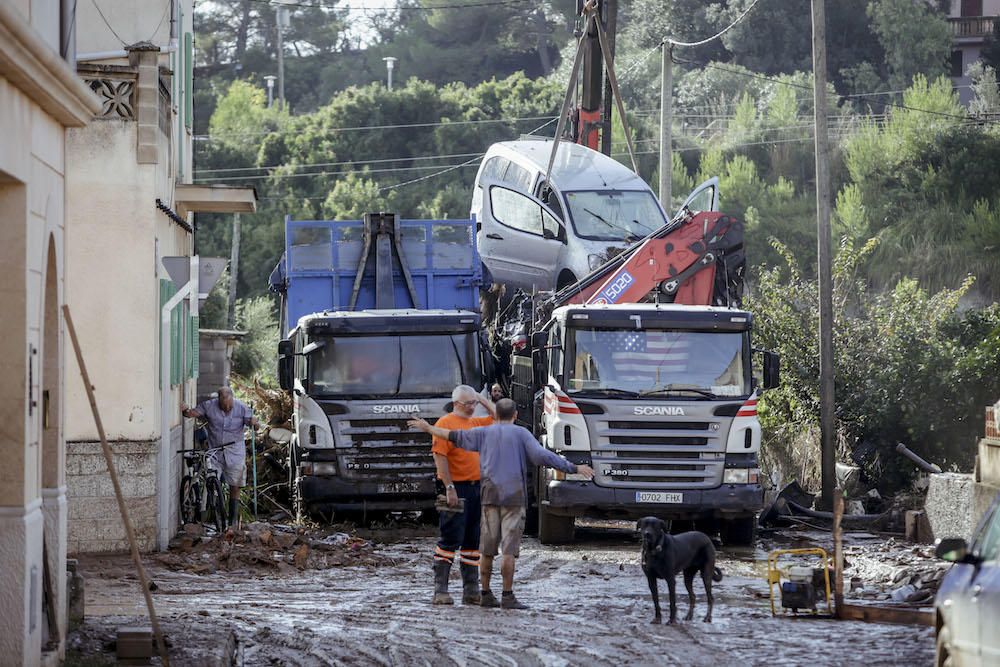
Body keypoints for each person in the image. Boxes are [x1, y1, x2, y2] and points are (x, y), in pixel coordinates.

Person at [409, 398, 594, 609]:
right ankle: (507, 595)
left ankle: (484, 593)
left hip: (488, 496)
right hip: (513, 498)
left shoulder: (483, 432)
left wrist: (428, 428)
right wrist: (573, 468)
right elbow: (541, 456)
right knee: (508, 550)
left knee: (486, 549)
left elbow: (453, 436)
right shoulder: (520, 434)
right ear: (515, 415)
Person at [429, 385, 496, 606]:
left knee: (472, 540)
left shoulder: (476, 423)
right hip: (455, 488)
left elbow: (498, 417)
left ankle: (471, 590)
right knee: (450, 538)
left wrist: (482, 400)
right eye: (469, 404)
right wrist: (449, 488)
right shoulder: (445, 424)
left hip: (476, 487)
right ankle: (441, 590)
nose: (472, 408)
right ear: (457, 403)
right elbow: (440, 458)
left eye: (474, 404)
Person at [181, 387, 259, 529]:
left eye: (229, 406)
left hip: (235, 450)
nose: (227, 408)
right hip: (215, 450)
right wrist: (185, 410)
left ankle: (233, 522)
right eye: (224, 406)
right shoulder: (209, 406)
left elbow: (255, 426)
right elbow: (192, 413)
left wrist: (255, 422)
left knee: (235, 485)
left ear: (232, 399)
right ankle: (215, 511)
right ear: (218, 400)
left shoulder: (241, 407)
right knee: (213, 480)